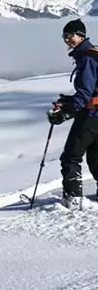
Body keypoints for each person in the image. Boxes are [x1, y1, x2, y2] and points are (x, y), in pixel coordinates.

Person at [48, 19, 98, 208]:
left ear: (81, 35)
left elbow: (86, 90)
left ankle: (73, 198)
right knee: (95, 155)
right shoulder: (93, 53)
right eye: (65, 36)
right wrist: (68, 101)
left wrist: (70, 108)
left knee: (71, 156)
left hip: (91, 116)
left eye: (70, 35)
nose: (67, 39)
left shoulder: (86, 57)